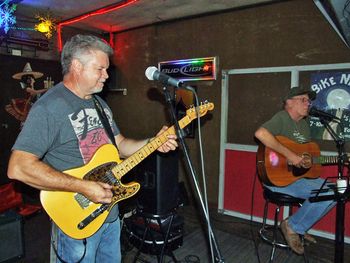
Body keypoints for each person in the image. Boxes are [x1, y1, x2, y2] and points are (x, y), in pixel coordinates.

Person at [7, 34, 178, 263]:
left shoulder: (99, 103)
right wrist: (85, 187)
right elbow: (18, 167)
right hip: (77, 219)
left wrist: (154, 142)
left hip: (109, 215)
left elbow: (121, 146)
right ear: (77, 66)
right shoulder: (50, 106)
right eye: (100, 69)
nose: (106, 76)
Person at [254, 86, 335, 255]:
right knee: (325, 194)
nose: (308, 103)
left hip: (299, 179)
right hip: (278, 180)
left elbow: (306, 154)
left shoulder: (304, 125)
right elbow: (261, 133)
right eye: (303, 100)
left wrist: (304, 160)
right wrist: (291, 156)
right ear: (289, 103)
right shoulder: (282, 118)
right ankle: (292, 226)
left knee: (336, 191)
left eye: (309, 100)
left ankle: (299, 225)